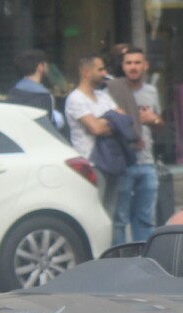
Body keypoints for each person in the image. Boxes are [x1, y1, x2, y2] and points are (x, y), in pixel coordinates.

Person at [114, 46, 162, 245]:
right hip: (123, 163)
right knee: (119, 220)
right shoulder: (114, 91)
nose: (133, 67)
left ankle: (145, 260)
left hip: (147, 162)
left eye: (137, 63)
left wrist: (154, 120)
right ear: (123, 67)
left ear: (145, 66)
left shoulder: (151, 91)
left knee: (146, 219)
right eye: (128, 63)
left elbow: (159, 125)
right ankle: (118, 263)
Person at [64, 55, 119, 210]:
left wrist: (103, 122)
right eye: (100, 69)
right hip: (90, 164)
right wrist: (110, 121)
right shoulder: (75, 99)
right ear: (86, 73)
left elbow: (123, 119)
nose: (104, 73)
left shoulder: (103, 96)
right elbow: (95, 128)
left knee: (110, 212)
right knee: (94, 210)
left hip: (111, 161)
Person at [8, 49, 66, 134]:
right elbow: (47, 128)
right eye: (46, 64)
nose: (48, 66)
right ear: (40, 67)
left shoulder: (14, 91)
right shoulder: (44, 96)